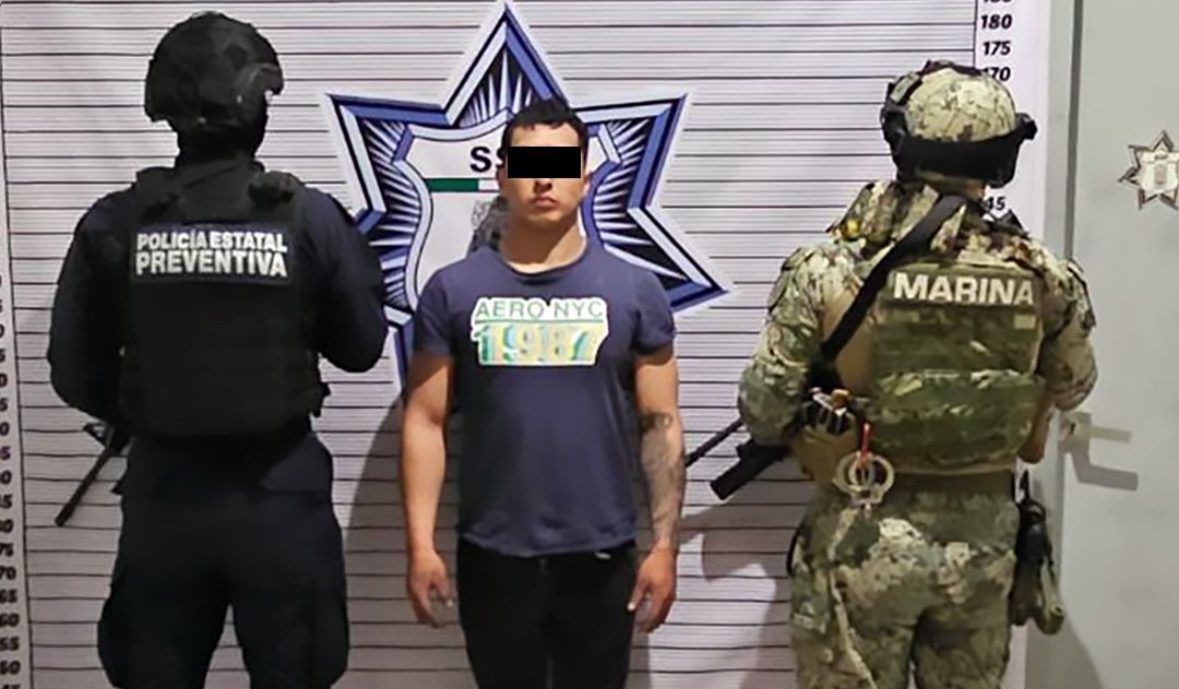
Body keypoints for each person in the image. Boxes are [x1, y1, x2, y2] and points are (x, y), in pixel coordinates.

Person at [46, 12, 387, 689]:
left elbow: (74, 372)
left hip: (164, 499)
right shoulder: (307, 217)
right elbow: (360, 347)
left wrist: (154, 403)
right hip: (280, 499)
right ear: (258, 104)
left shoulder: (117, 222)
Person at [736, 61, 1098, 689]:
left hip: (859, 536)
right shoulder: (1045, 276)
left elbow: (764, 409)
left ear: (902, 141)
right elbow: (1074, 386)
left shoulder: (830, 269)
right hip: (982, 553)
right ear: (1003, 157)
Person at [399, 98, 686, 689]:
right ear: (502, 175)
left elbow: (660, 422)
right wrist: (420, 545)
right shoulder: (452, 291)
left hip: (601, 555)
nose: (544, 180)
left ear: (586, 177)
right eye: (529, 165)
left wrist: (664, 546)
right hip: (494, 554)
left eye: (560, 165)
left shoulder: (634, 290)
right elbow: (425, 420)